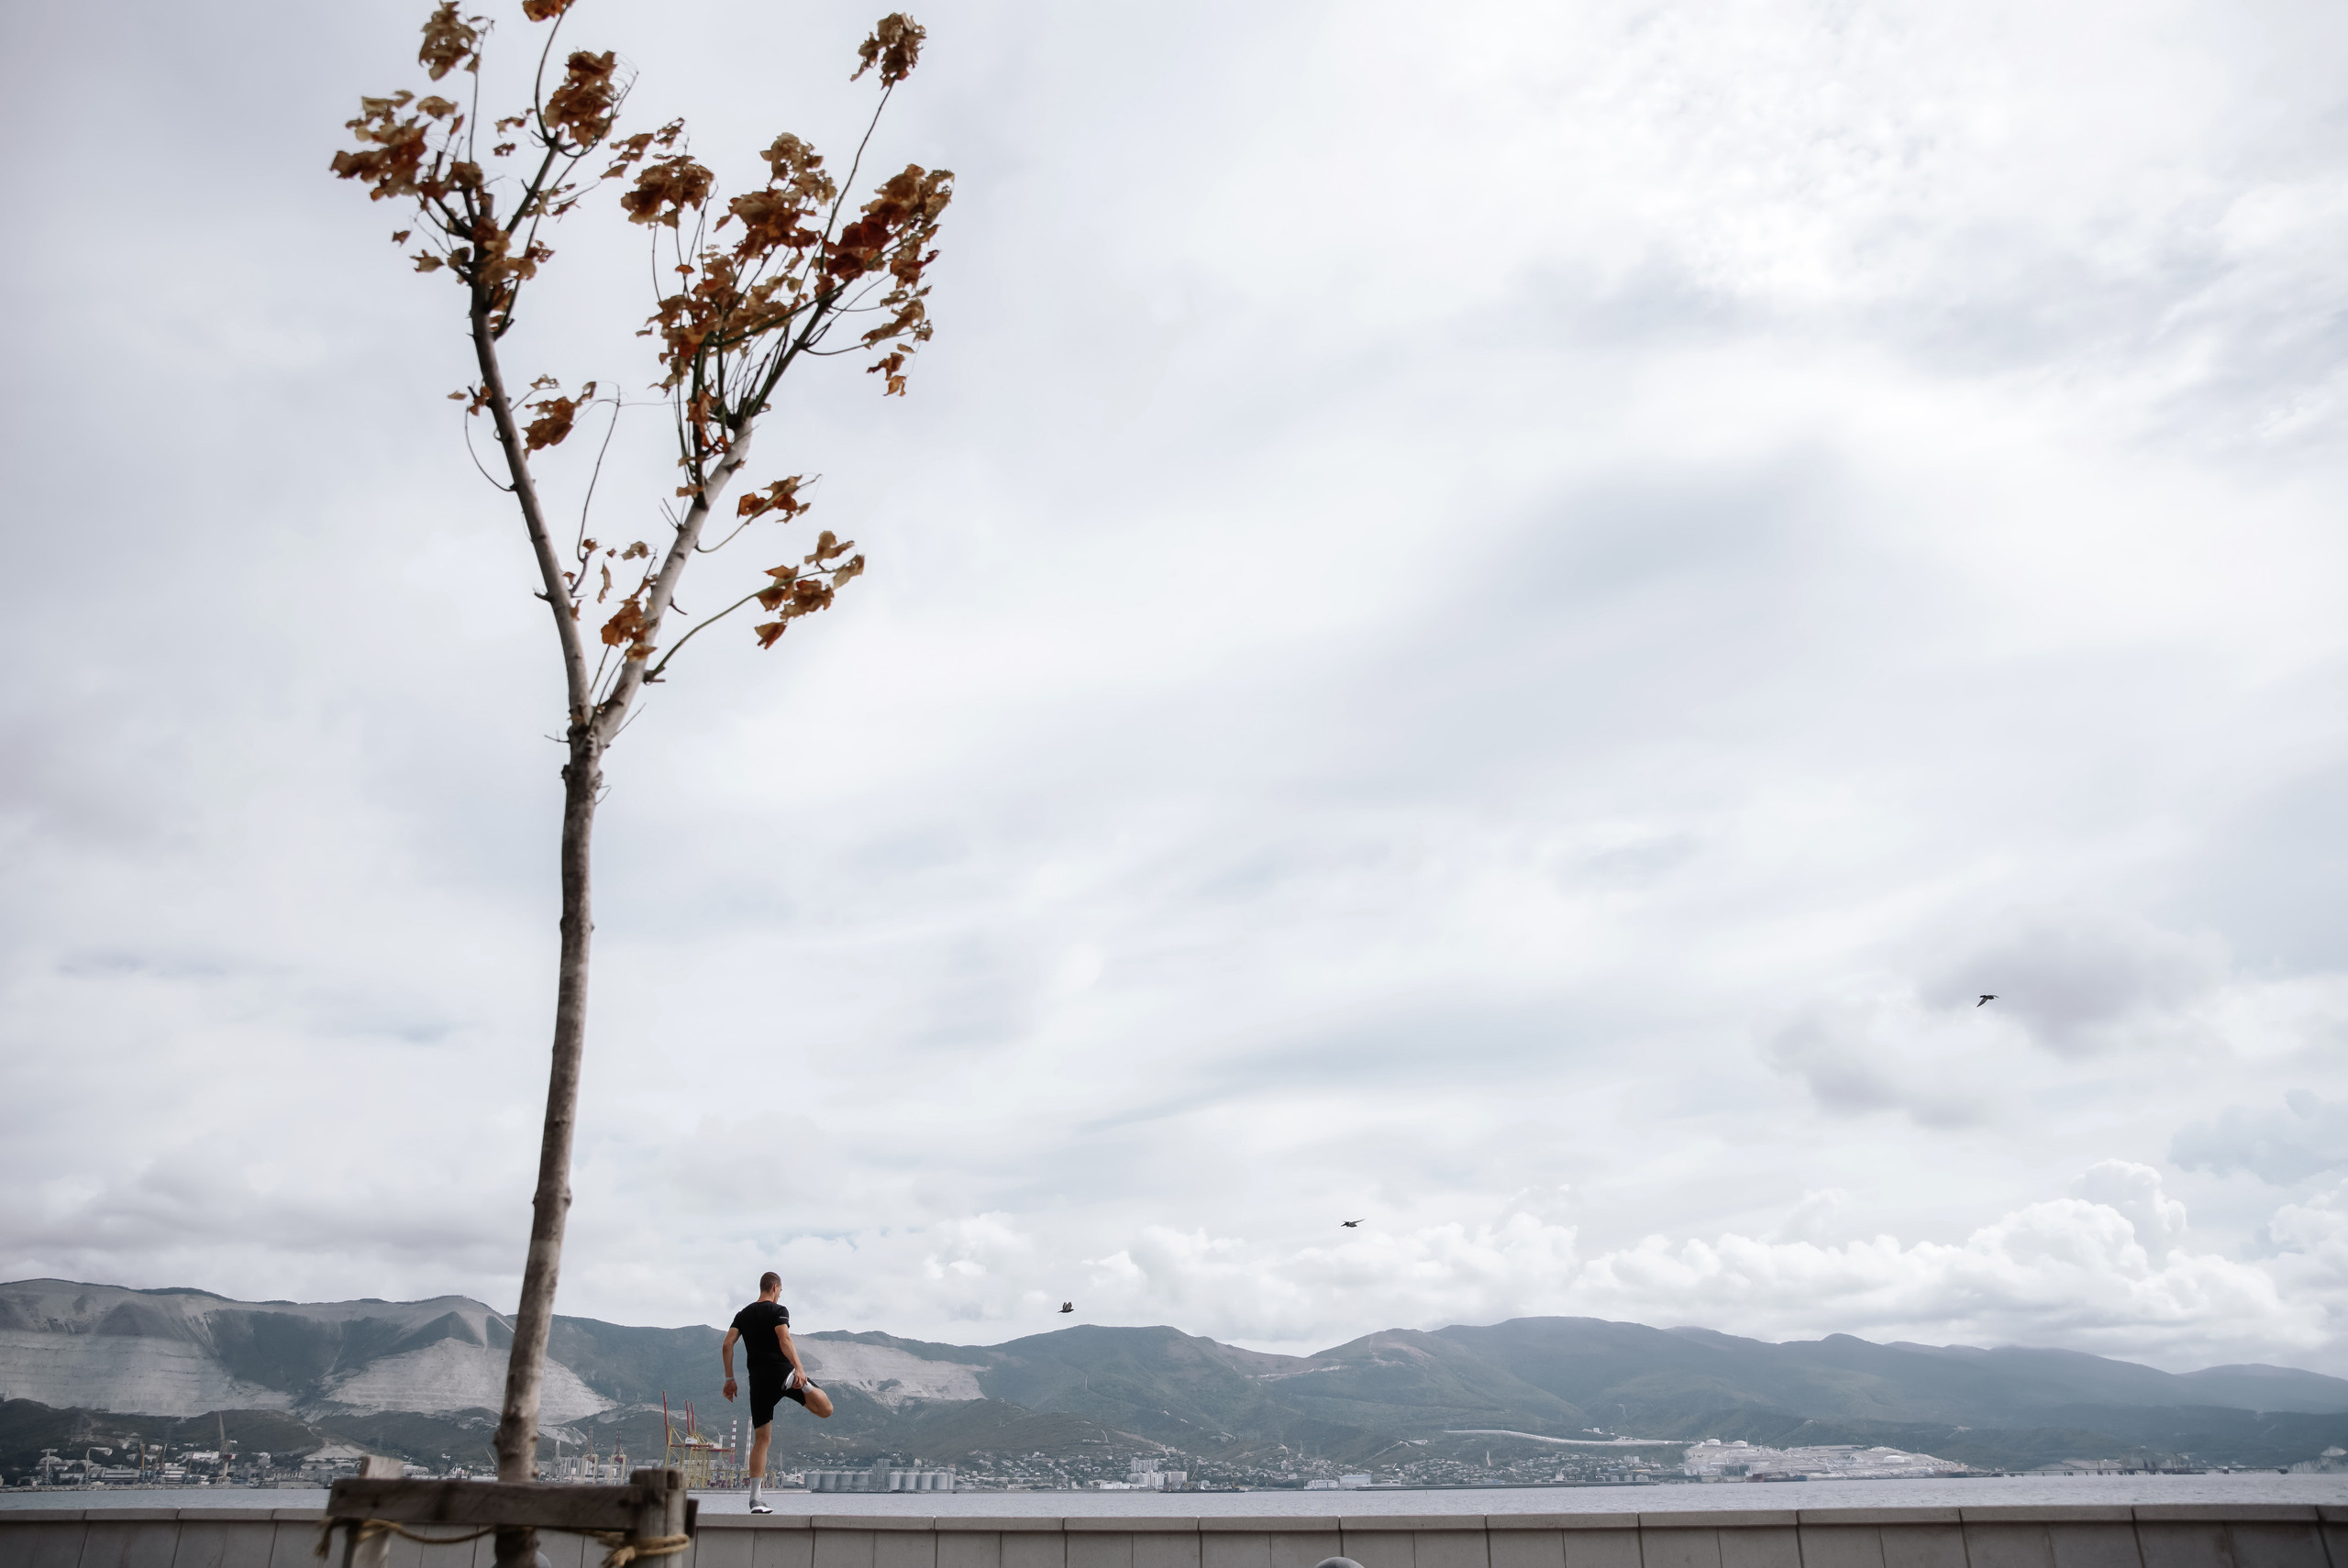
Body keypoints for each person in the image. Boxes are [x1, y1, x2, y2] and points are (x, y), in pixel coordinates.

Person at [721, 1271, 833, 1513]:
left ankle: (755, 1499)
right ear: (774, 1287)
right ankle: (803, 1383)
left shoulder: (743, 1314)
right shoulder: (778, 1310)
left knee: (762, 1440)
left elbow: (727, 1344)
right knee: (826, 1410)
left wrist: (730, 1379)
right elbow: (784, 1340)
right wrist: (800, 1369)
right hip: (783, 1374)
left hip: (758, 1383)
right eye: (780, 1291)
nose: (780, 1294)